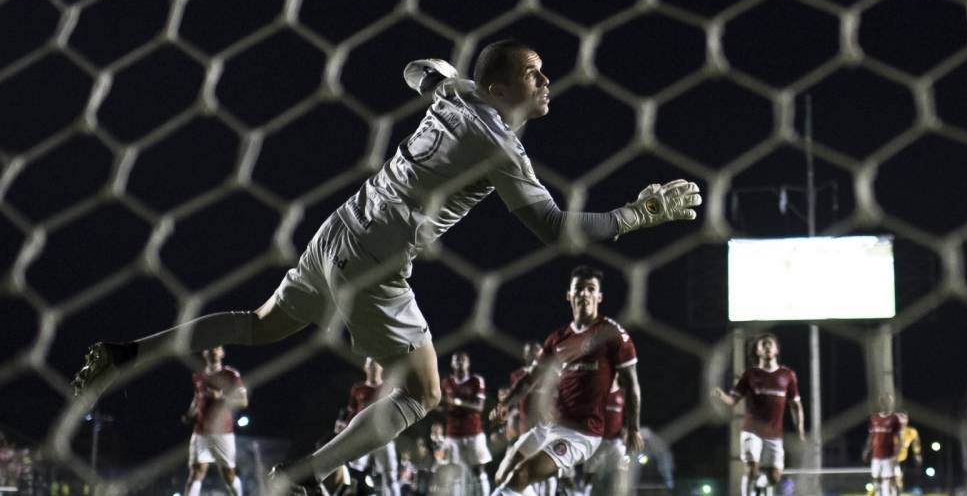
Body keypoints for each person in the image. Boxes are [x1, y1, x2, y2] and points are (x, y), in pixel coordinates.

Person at [69, 40, 703, 492]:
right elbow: (555, 230)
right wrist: (637, 216)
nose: (545, 81)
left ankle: (126, 352)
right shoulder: (501, 147)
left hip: (342, 225)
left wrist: (445, 78)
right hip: (377, 259)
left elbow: (415, 69)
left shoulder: (456, 99)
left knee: (262, 325)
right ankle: (299, 477)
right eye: (534, 73)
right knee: (424, 393)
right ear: (502, 87)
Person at [490, 266, 642, 496]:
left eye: (591, 289)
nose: (584, 294)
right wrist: (506, 403)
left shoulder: (612, 334)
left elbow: (631, 383)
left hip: (582, 434)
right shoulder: (557, 339)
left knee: (522, 475)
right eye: (579, 289)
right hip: (548, 426)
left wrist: (633, 428)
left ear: (599, 297)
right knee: (503, 475)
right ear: (569, 295)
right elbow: (530, 378)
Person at [711, 334, 805, 496]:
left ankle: (760, 484)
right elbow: (733, 400)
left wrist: (800, 430)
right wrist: (721, 395)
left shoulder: (787, 375)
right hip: (751, 430)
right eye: (763, 345)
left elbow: (796, 405)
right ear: (757, 351)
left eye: (770, 344)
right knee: (752, 467)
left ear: (776, 350)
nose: (767, 347)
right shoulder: (750, 374)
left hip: (774, 433)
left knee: (775, 477)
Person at [184, 347, 247, 496]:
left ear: (222, 353)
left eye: (217, 348)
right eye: (209, 348)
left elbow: (243, 401)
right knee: (196, 473)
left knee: (228, 475)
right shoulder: (198, 375)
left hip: (222, 431)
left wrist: (221, 397)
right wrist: (190, 413)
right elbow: (197, 397)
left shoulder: (230, 375)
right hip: (200, 431)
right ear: (204, 353)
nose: (213, 350)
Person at [337, 358, 402, 496]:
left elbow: (396, 413)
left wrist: (398, 428)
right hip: (362, 436)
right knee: (355, 474)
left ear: (381, 367)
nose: (373, 367)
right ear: (365, 367)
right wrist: (344, 426)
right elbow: (352, 412)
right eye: (370, 364)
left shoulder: (389, 388)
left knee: (390, 477)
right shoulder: (358, 388)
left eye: (375, 363)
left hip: (384, 436)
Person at [442, 351, 492, 496]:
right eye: (456, 360)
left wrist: (457, 403)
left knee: (479, 472)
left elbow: (479, 407)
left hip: (473, 432)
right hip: (453, 434)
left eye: (463, 359)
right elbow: (443, 406)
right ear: (452, 363)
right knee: (455, 474)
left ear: (468, 363)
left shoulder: (476, 381)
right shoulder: (446, 383)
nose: (460, 362)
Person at [581, 378, 629, 496]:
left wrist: (627, 430)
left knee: (621, 468)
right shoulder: (599, 393)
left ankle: (620, 492)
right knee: (590, 469)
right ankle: (585, 491)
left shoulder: (623, 393)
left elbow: (627, 415)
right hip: (598, 439)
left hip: (616, 440)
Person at [863, 393, 902, 496]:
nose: (887, 404)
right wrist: (867, 450)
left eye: (889, 402)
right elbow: (871, 436)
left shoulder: (894, 418)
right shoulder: (874, 418)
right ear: (881, 403)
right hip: (876, 455)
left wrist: (896, 456)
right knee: (875, 478)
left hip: (888, 456)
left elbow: (899, 439)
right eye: (885, 402)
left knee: (886, 480)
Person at [894, 413, 922, 495]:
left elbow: (916, 443)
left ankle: (897, 493)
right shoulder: (892, 431)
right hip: (890, 459)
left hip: (902, 459)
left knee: (899, 479)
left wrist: (917, 454)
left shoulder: (911, 432)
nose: (902, 421)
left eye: (904, 418)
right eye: (900, 419)